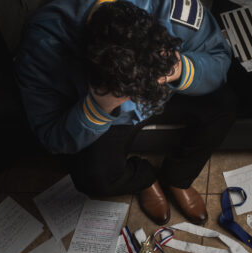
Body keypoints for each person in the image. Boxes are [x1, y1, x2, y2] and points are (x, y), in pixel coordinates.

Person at [15, 0, 236, 226]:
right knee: (93, 179)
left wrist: (178, 69)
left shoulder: (169, 6)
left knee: (225, 105)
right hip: (109, 115)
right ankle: (144, 179)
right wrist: (98, 107)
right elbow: (51, 136)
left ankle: (178, 178)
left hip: (170, 90)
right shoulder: (40, 44)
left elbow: (219, 55)